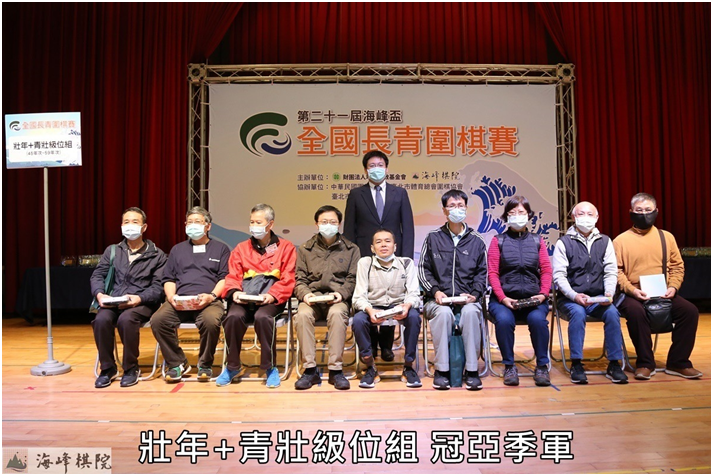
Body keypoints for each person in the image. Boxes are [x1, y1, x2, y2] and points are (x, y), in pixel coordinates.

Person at [613, 193, 702, 380]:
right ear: (631, 212)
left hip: (662, 291)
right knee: (636, 312)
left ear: (656, 212)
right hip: (632, 293)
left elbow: (677, 266)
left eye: (648, 210)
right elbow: (616, 272)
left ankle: (678, 362)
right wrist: (632, 290)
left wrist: (673, 287)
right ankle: (645, 363)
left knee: (690, 311)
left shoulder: (666, 237)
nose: (644, 214)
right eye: (639, 210)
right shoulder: (620, 241)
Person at [344, 150, 415, 362]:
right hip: (365, 254)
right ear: (365, 170)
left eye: (380, 165)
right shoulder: (356, 194)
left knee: (390, 296)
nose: (376, 169)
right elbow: (349, 229)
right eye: (372, 166)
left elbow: (407, 228)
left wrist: (405, 259)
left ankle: (386, 345)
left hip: (394, 255)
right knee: (371, 298)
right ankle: (371, 345)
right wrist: (352, 258)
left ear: (387, 168)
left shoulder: (399, 193)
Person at [216, 204, 296, 388]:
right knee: (233, 317)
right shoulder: (241, 248)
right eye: (252, 222)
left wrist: (273, 295)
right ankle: (232, 366)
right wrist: (235, 292)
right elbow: (232, 275)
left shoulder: (286, 247)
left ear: (270, 224)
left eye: (258, 222)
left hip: (270, 299)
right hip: (244, 297)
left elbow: (288, 278)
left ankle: (270, 367)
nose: (254, 226)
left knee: (263, 317)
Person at [151, 207, 230, 383]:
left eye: (198, 222)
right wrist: (171, 297)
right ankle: (177, 363)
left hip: (209, 301)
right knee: (158, 320)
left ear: (208, 226)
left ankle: (205, 364)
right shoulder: (177, 250)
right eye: (190, 222)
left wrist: (211, 296)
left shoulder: (221, 249)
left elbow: (224, 278)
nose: (193, 225)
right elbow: (169, 278)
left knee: (210, 321)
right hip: (180, 301)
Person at [552, 201, 628, 384]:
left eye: (589, 214)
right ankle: (576, 363)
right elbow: (559, 276)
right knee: (578, 313)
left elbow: (611, 271)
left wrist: (608, 294)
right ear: (573, 217)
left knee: (612, 313)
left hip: (597, 298)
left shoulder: (605, 241)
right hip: (570, 299)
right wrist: (574, 295)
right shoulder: (564, 243)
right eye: (581, 214)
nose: (585, 218)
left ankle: (614, 363)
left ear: (597, 217)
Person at [418, 189, 487, 391]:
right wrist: (435, 291)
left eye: (460, 206)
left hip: (468, 300)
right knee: (444, 314)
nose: (456, 209)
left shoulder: (477, 240)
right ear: (444, 210)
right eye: (452, 206)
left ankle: (472, 371)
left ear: (466, 208)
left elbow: (483, 274)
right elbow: (423, 270)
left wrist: (474, 295)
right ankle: (442, 370)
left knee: (471, 313)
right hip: (437, 301)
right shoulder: (433, 238)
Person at [91, 207, 167, 388]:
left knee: (127, 319)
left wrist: (139, 298)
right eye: (126, 222)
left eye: (135, 222)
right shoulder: (112, 251)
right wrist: (100, 294)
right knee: (101, 319)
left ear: (144, 227)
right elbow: (97, 275)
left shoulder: (157, 255)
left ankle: (131, 367)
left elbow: (159, 287)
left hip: (142, 302)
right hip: (114, 300)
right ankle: (107, 368)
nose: (130, 225)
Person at [487, 195, 552, 387]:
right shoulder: (497, 241)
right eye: (512, 212)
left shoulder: (537, 240)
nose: (517, 216)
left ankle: (542, 366)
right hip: (504, 300)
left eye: (521, 212)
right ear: (506, 217)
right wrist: (502, 298)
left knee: (538, 321)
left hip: (534, 299)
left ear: (529, 215)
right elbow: (492, 273)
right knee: (504, 321)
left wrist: (543, 294)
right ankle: (509, 366)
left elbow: (546, 270)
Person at [293, 205, 360, 391]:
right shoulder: (305, 249)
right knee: (302, 315)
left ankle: (336, 370)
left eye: (332, 222)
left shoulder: (351, 249)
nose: (328, 225)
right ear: (316, 224)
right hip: (312, 298)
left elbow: (353, 278)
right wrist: (305, 294)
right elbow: (299, 279)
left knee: (337, 315)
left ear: (339, 224)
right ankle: (309, 370)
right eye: (324, 222)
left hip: (337, 299)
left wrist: (342, 294)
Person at [353, 229, 422, 389]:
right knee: (358, 320)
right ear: (372, 248)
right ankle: (370, 366)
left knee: (413, 317)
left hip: (399, 306)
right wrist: (369, 310)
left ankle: (409, 366)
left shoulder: (406, 263)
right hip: (373, 306)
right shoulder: (365, 263)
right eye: (378, 242)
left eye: (387, 241)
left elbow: (413, 293)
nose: (383, 245)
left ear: (395, 246)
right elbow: (359, 296)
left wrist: (407, 306)